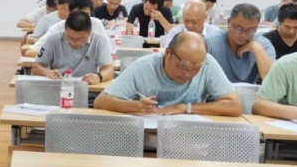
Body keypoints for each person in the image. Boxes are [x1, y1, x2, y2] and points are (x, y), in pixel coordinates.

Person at [95, 32, 241, 116]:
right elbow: (101, 101)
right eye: (183, 66)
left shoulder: (207, 63)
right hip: (146, 140)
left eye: (196, 68)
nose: (188, 74)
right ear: (168, 54)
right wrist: (136, 106)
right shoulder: (145, 66)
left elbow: (234, 106)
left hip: (189, 139)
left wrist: (185, 108)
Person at [31, 11, 115, 85]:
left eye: (80, 39)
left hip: (88, 89)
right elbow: (36, 67)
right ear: (65, 30)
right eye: (69, 37)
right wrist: (47, 72)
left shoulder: (99, 41)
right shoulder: (53, 40)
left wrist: (99, 77)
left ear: (89, 33)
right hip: (59, 88)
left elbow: (109, 69)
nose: (74, 42)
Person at [204, 3, 276, 84]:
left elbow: (271, 80)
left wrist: (256, 48)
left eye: (250, 30)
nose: (243, 35)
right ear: (229, 22)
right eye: (239, 29)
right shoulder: (210, 43)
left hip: (249, 91)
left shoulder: (263, 44)